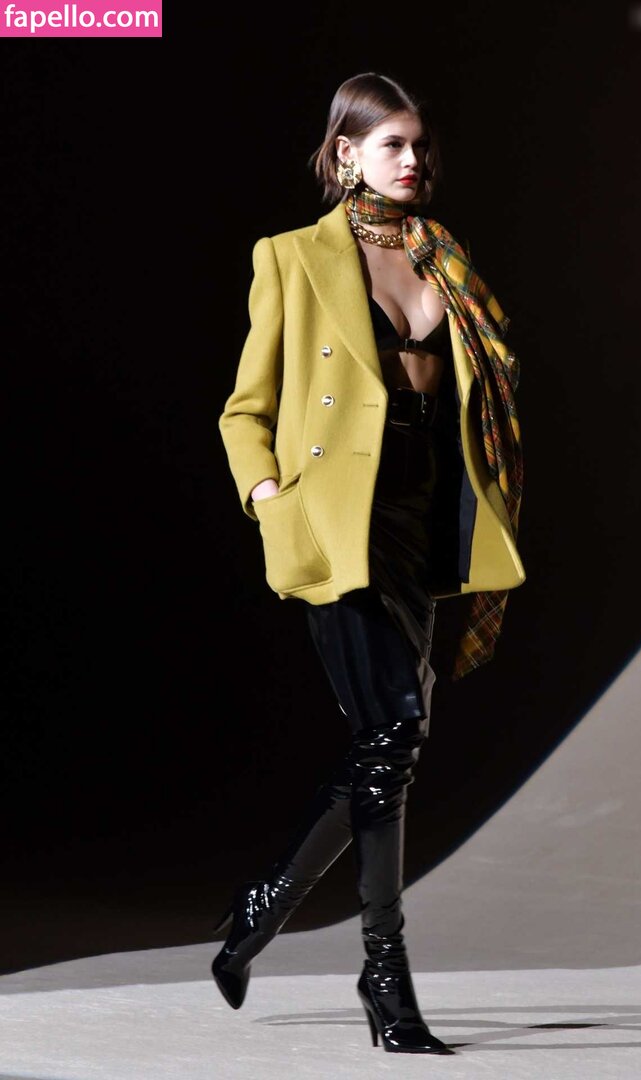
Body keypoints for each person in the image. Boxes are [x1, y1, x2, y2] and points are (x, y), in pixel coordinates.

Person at [212, 71, 526, 1056]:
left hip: (425, 520)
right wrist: (270, 501)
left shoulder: (444, 259)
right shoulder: (292, 257)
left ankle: (267, 909)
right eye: (394, 144)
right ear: (346, 152)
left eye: (421, 144)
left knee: (391, 748)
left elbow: (479, 395)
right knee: (393, 732)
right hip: (339, 521)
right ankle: (382, 974)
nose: (414, 160)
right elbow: (245, 410)